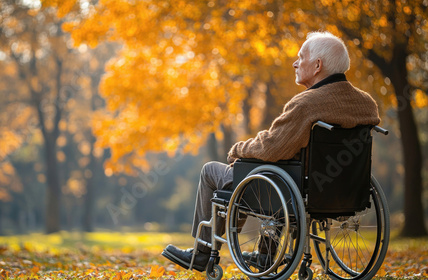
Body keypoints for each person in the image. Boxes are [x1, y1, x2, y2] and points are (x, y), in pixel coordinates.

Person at [161, 31, 381, 272]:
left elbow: (271, 147)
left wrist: (238, 150)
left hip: (292, 189)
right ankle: (266, 255)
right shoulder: (366, 103)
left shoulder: (306, 104)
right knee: (278, 173)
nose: (295, 63)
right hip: (342, 189)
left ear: (317, 65)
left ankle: (203, 252)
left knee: (212, 171)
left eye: (301, 57)